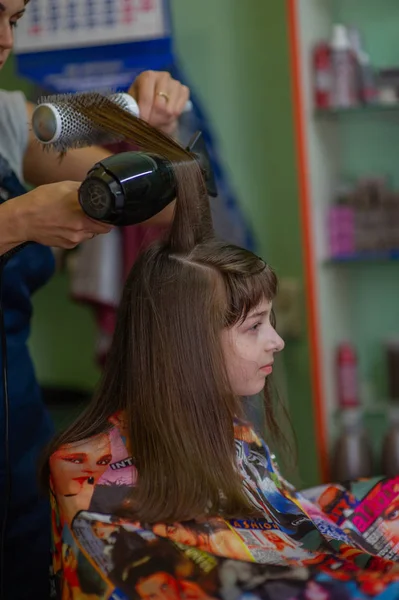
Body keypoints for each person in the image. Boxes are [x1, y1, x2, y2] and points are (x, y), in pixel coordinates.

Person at [0, 2, 191, 598]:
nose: (4, 39)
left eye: (13, 18)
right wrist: (16, 220)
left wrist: (154, 125)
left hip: (12, 420)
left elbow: (167, 201)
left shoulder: (14, 118)